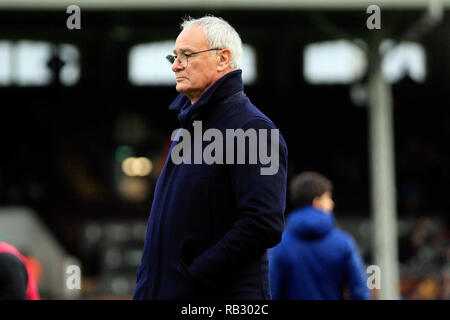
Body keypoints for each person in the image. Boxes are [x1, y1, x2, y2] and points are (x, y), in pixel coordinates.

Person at [133, 15, 288, 300]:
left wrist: (197, 274)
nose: (175, 65)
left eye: (187, 55)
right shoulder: (188, 128)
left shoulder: (253, 128)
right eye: (174, 56)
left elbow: (263, 224)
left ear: (223, 59)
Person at [269, 172, 369, 300]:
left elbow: (271, 293)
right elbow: (360, 292)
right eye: (328, 197)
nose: (332, 203)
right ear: (317, 202)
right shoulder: (343, 243)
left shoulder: (280, 245)